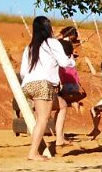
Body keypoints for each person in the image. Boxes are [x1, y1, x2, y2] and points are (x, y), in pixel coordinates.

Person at [18, 16, 74, 161]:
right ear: (48, 28)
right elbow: (64, 63)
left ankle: (59, 138)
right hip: (43, 85)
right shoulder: (52, 43)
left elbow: (23, 72)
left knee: (62, 105)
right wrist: (72, 59)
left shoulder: (29, 47)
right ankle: (33, 153)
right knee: (42, 120)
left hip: (28, 85)